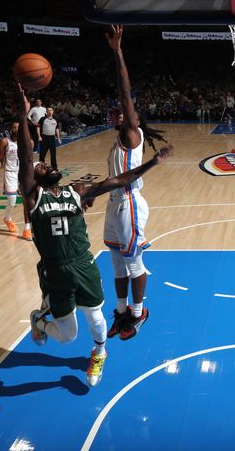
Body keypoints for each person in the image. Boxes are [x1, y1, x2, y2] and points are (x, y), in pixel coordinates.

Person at [13, 82, 173, 387]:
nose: (44, 164)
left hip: (83, 265)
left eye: (45, 163)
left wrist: (153, 162)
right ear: (34, 179)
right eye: (41, 166)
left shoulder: (78, 191)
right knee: (68, 336)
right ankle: (42, 321)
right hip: (55, 270)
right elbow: (25, 155)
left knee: (97, 319)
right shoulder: (33, 199)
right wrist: (23, 116)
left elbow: (121, 178)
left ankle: (100, 354)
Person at [103, 25, 156, 341]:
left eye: (121, 112)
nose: (117, 113)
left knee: (134, 264)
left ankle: (138, 314)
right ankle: (122, 311)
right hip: (114, 203)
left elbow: (125, 93)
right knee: (116, 263)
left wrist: (117, 51)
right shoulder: (118, 141)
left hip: (129, 204)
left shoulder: (131, 134)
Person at [0, 121, 32, 238]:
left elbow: (29, 161)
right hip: (10, 173)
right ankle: (7, 219)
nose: (17, 129)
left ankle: (27, 228)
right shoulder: (5, 142)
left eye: (19, 128)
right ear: (11, 129)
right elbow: (0, 159)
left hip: (23, 174)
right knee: (12, 200)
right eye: (14, 127)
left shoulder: (29, 142)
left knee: (27, 201)